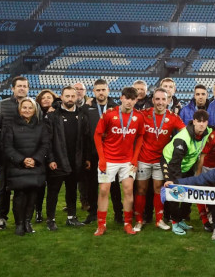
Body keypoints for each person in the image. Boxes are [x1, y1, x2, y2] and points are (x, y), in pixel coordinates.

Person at [93, 86, 145, 236]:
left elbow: (140, 136)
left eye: (132, 99)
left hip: (127, 161)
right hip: (108, 159)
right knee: (103, 190)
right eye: (126, 98)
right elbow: (97, 135)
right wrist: (102, 159)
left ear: (136, 100)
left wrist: (135, 159)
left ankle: (127, 223)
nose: (129, 102)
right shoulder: (109, 114)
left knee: (128, 189)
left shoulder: (139, 117)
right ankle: (101, 225)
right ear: (121, 98)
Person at [133, 88, 185, 232]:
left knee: (158, 189)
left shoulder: (173, 117)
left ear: (168, 100)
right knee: (141, 190)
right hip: (143, 159)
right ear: (153, 100)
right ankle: (139, 220)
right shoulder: (144, 114)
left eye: (163, 99)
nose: (160, 102)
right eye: (157, 99)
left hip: (160, 161)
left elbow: (185, 132)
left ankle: (159, 220)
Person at [44, 86, 91, 230]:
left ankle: (72, 217)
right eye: (67, 96)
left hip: (75, 161)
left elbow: (86, 138)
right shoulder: (52, 115)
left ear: (77, 97)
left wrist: (86, 158)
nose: (70, 99)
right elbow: (47, 140)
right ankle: (50, 220)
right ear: (61, 97)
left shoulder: (82, 115)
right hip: (57, 161)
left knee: (72, 190)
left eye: (73, 96)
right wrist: (50, 159)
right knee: (53, 191)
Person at [2, 98, 50, 236]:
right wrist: (22, 160)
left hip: (36, 165)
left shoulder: (41, 126)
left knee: (33, 195)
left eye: (30, 108)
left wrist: (35, 159)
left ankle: (27, 222)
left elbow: (45, 145)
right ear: (19, 109)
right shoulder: (10, 125)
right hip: (17, 166)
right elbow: (7, 146)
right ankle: (19, 223)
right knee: (19, 195)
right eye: (24, 107)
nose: (27, 110)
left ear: (35, 110)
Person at [161, 110, 212, 235]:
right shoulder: (182, 138)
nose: (201, 124)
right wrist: (177, 181)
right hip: (171, 163)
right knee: (176, 191)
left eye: (204, 121)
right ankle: (174, 223)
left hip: (187, 166)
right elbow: (175, 163)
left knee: (189, 192)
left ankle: (181, 219)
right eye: (198, 121)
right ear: (194, 121)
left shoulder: (207, 132)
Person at [0, 76, 33, 230]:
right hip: (6, 155)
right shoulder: (2, 105)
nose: (22, 88)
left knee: (25, 187)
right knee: (4, 187)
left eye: (24, 86)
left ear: (28, 89)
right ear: (13, 89)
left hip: (26, 155)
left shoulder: (32, 105)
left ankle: (24, 219)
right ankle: (2, 217)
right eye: (19, 86)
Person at [80, 79, 121, 225]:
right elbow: (84, 134)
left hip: (111, 153)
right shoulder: (87, 109)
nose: (101, 92)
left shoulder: (116, 108)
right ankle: (93, 213)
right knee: (92, 185)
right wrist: (86, 156)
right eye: (98, 90)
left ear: (108, 91)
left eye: (103, 89)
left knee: (114, 185)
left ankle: (118, 214)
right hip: (93, 153)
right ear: (93, 92)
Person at [32, 88, 58, 221]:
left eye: (49, 97)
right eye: (43, 98)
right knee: (40, 185)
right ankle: (38, 211)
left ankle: (50, 213)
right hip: (40, 153)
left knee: (52, 185)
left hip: (53, 153)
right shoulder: (35, 114)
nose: (46, 99)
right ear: (39, 101)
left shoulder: (57, 113)